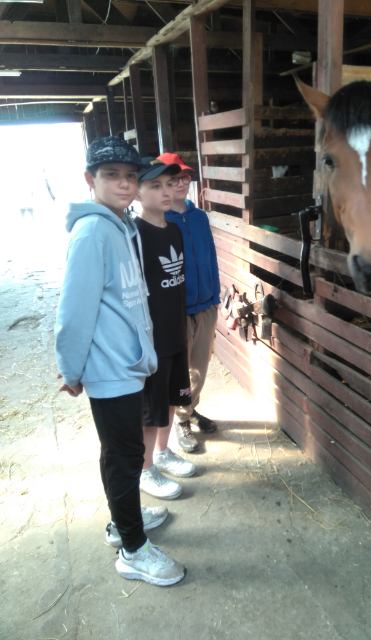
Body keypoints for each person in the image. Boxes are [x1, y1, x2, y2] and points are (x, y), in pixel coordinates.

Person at [54, 136, 185, 587]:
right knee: (124, 455)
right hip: (109, 369)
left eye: (130, 176)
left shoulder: (120, 225)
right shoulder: (92, 233)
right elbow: (74, 313)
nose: (124, 184)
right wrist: (71, 370)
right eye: (112, 175)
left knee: (123, 453)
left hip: (128, 364)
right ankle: (133, 548)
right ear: (90, 180)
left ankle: (123, 520)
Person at [134, 158, 197, 499]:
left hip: (175, 328)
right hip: (151, 335)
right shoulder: (135, 235)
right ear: (138, 193)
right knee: (151, 407)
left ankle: (162, 451)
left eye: (169, 185)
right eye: (155, 186)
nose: (166, 192)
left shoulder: (173, 230)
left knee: (173, 396)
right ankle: (145, 470)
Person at [157, 152, 221, 453]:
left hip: (206, 305)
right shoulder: (159, 221)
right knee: (179, 371)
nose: (181, 183)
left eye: (184, 177)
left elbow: (210, 257)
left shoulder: (199, 217)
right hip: (177, 311)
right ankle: (181, 421)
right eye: (173, 179)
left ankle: (188, 410)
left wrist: (215, 297)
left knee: (199, 368)